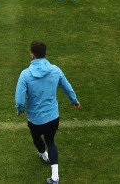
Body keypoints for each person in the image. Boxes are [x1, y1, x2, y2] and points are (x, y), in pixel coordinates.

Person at [15, 41, 80, 184]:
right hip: (53, 117)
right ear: (46, 54)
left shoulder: (25, 75)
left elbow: (20, 100)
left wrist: (20, 110)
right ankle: (55, 177)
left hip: (35, 120)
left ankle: (43, 155)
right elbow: (67, 87)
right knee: (50, 141)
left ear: (32, 55)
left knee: (37, 139)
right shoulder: (55, 70)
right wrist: (74, 100)